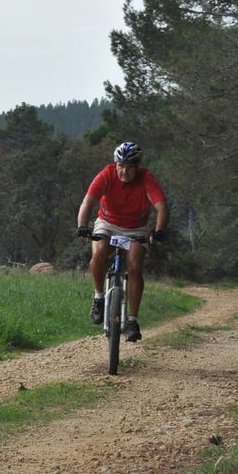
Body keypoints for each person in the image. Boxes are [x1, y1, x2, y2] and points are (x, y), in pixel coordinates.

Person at [75, 141, 168, 342]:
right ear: (115, 164)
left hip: (136, 227)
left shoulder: (146, 179)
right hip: (108, 223)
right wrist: (83, 225)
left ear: (137, 167)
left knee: (134, 265)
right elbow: (88, 201)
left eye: (129, 167)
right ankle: (99, 297)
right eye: (121, 166)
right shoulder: (106, 174)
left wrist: (159, 231)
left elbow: (161, 206)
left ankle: (133, 321)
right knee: (98, 253)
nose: (124, 171)